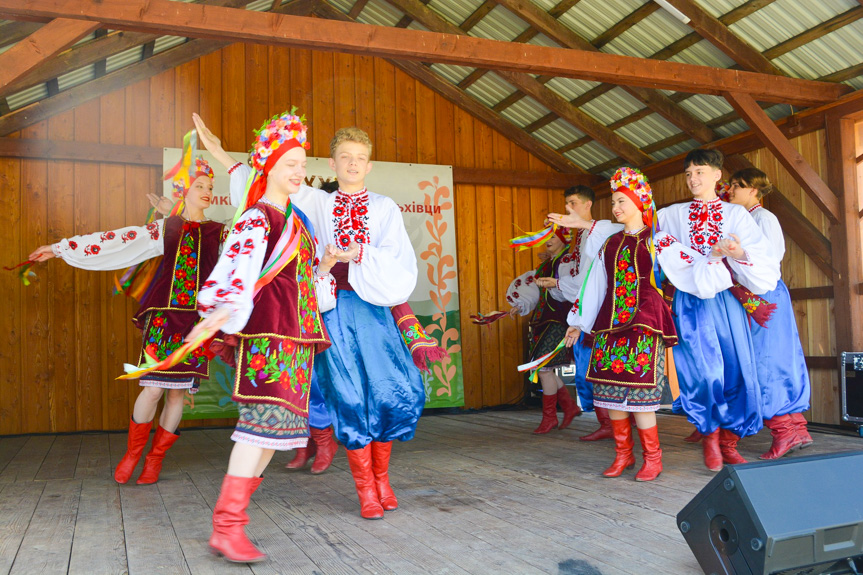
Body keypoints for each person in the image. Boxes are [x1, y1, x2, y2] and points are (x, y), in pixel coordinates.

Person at [194, 115, 424, 520]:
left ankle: (384, 480)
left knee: (389, 392)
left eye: (360, 158)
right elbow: (263, 183)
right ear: (331, 164)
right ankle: (366, 490)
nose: (353, 164)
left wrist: (361, 255)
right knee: (350, 399)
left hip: (373, 314)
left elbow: (400, 261)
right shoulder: (318, 201)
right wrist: (219, 154)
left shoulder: (385, 208)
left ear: (369, 166)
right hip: (332, 311)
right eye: (344, 157)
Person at [189, 110, 336, 562]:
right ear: (268, 166)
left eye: (302, 162)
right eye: (290, 162)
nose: (298, 171)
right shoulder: (258, 217)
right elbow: (237, 268)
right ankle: (227, 527)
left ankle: (231, 525)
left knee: (275, 436)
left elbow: (300, 279)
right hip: (269, 339)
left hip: (295, 341)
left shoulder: (294, 220)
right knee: (257, 431)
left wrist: (325, 267)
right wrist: (215, 313)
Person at [29, 157, 223, 486]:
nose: (206, 192)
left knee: (177, 395)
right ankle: (133, 453)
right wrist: (60, 249)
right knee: (151, 389)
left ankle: (155, 459)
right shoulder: (167, 227)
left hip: (196, 324)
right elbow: (116, 240)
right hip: (164, 319)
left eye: (209, 188)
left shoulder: (220, 231)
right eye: (199, 186)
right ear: (183, 191)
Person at [653, 149, 779, 471]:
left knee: (736, 368)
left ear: (717, 175)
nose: (693, 179)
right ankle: (709, 435)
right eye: (689, 173)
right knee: (702, 372)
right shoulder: (672, 215)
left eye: (700, 172)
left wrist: (737, 251)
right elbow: (643, 232)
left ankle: (729, 441)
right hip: (690, 303)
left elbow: (762, 258)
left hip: (726, 300)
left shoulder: (736, 215)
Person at [564, 167, 677, 481]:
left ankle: (652, 459)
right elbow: (595, 283)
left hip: (645, 321)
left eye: (622, 201)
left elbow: (680, 272)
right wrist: (578, 321)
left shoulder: (658, 238)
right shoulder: (611, 242)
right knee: (610, 392)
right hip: (610, 322)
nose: (616, 208)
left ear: (640, 202)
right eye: (613, 202)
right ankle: (623, 455)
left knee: (640, 396)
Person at [727, 167, 813, 458]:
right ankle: (796, 429)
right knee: (775, 359)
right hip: (757, 295)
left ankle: (785, 432)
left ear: (753, 190)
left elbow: (770, 259)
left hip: (763, 295)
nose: (730, 190)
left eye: (736, 186)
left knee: (766, 362)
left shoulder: (763, 218)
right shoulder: (746, 219)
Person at [548, 186, 623, 441]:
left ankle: (618, 422)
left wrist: (560, 285)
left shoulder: (603, 229)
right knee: (587, 369)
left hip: (602, 311)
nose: (569, 208)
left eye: (574, 203)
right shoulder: (579, 239)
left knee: (602, 367)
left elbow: (595, 276)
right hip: (585, 310)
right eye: (566, 203)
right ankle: (606, 422)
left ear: (588, 204)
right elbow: (582, 278)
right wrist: (558, 285)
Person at [506, 227, 581, 434]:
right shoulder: (546, 264)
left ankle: (551, 417)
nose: (548, 241)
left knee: (544, 367)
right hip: (543, 319)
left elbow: (571, 291)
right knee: (543, 367)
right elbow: (535, 293)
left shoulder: (566, 263)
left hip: (558, 320)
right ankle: (568, 406)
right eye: (547, 238)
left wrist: (554, 284)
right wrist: (520, 305)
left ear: (564, 241)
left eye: (553, 237)